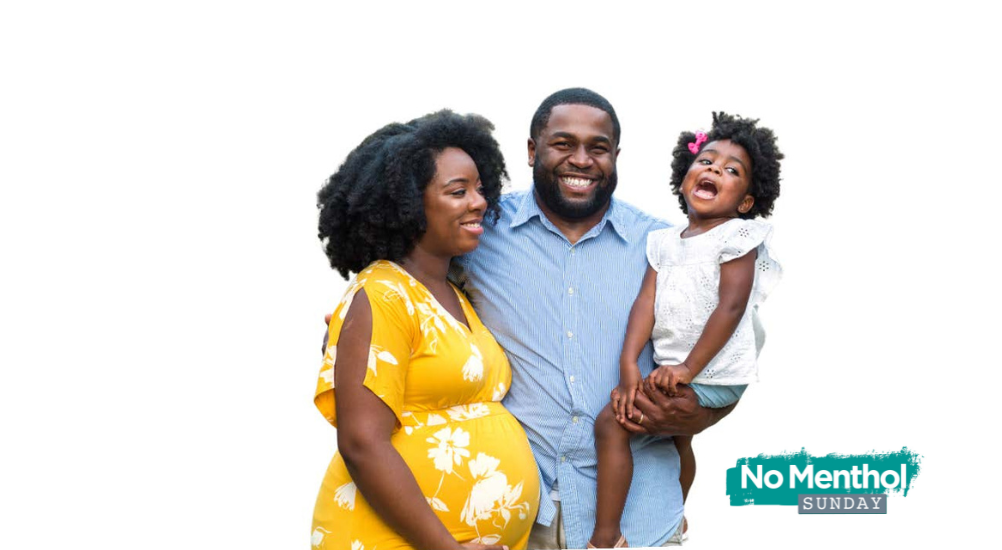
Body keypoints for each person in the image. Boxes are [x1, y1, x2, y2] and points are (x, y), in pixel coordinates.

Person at [451, 88, 735, 548]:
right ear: (530, 151)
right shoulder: (479, 234)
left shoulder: (665, 247)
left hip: (638, 517)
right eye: (563, 144)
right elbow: (409, 304)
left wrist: (697, 415)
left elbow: (729, 356)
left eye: (597, 148)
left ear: (616, 156)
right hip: (514, 512)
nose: (581, 160)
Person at [311, 110, 539, 550]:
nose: (479, 202)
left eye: (479, 188)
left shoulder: (453, 291)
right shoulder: (382, 294)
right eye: (458, 191)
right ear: (408, 205)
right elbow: (362, 442)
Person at [589, 112, 784, 548]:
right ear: (684, 177)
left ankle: (604, 539)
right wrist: (627, 364)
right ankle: (675, 516)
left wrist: (687, 369)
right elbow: (646, 304)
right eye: (707, 161)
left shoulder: (738, 237)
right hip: (679, 366)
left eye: (732, 170)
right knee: (678, 441)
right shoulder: (663, 241)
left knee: (611, 424)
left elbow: (731, 308)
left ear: (747, 201)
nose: (714, 169)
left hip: (717, 371)